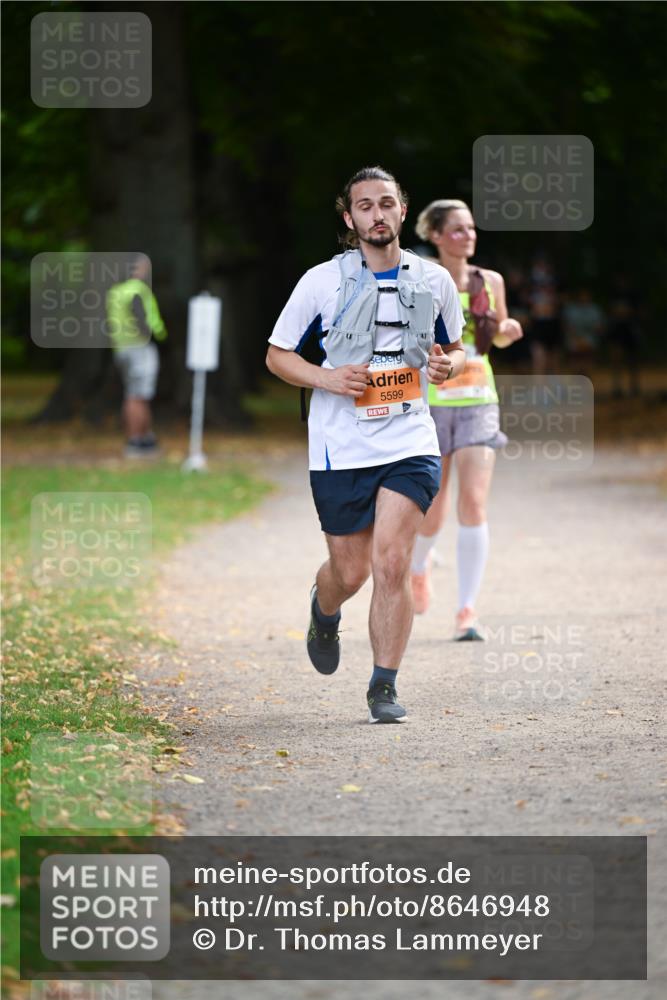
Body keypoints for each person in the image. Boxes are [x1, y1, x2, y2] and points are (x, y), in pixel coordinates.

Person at [266, 167, 465, 723]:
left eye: (386, 203)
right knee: (350, 572)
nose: (376, 214)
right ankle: (323, 609)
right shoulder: (320, 282)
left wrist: (450, 365)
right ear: (349, 217)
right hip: (341, 446)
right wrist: (327, 379)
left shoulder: (433, 281)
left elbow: (457, 347)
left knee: (393, 560)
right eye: (364, 206)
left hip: (409, 438)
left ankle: (384, 685)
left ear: (403, 211)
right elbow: (277, 355)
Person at [409, 199, 523, 639]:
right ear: (435, 236)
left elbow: (495, 335)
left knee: (473, 504)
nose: (467, 236)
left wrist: (508, 330)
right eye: (456, 229)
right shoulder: (420, 280)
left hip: (479, 401)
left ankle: (467, 611)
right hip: (431, 404)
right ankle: (419, 569)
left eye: (471, 228)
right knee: (433, 513)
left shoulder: (489, 280)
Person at [106, 254, 167, 458]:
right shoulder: (137, 290)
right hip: (139, 347)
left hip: (121, 349)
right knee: (137, 395)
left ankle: (145, 436)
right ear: (138, 268)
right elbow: (140, 315)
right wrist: (150, 335)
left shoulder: (115, 292)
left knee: (136, 393)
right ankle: (135, 440)